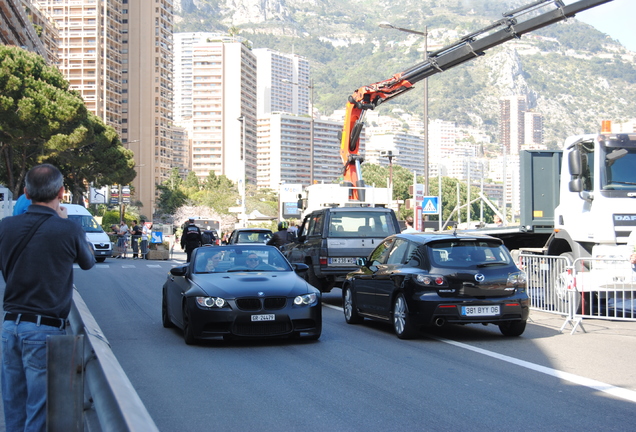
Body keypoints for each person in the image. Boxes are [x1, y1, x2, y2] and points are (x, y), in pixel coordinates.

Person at [0, 164, 95, 432]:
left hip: (9, 327)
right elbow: (88, 262)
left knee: (13, 406)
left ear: (26, 193)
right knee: (38, 411)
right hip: (43, 330)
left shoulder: (5, 227)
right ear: (62, 193)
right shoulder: (67, 230)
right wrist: (65, 223)